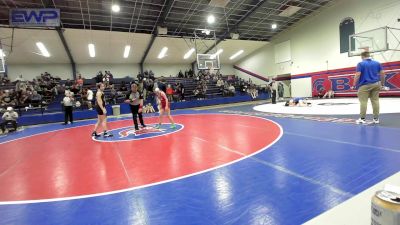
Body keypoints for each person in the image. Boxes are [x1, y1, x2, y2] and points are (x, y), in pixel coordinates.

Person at [353, 51, 385, 124]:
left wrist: (354, 84)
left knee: (363, 102)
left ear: (362, 56)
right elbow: (383, 73)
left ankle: (362, 119)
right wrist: (382, 84)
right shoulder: (377, 63)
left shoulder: (360, 64)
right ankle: (376, 119)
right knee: (375, 101)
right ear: (369, 55)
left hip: (365, 85)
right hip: (376, 84)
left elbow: (358, 74)